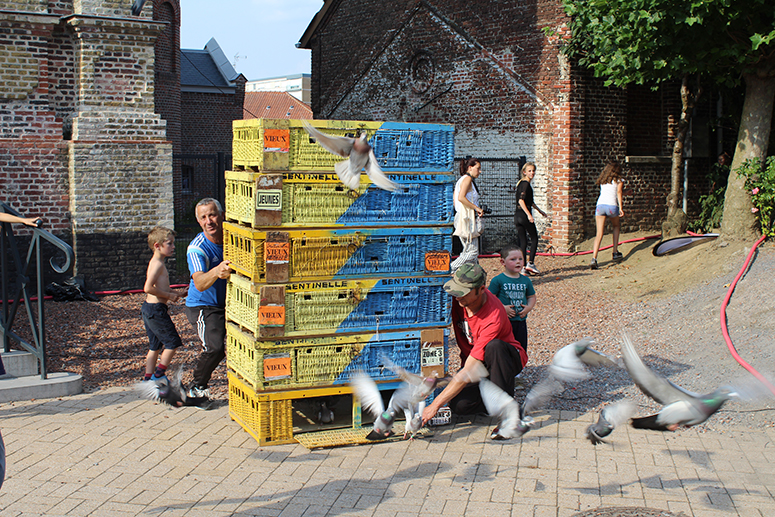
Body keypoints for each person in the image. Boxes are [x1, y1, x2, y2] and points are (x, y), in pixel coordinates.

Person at [421, 263, 528, 439]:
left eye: (463, 292)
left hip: (505, 358)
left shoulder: (493, 316)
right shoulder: (458, 301)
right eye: (456, 291)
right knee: (459, 406)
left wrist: (434, 406)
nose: (458, 296)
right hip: (477, 363)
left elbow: (467, 371)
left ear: (481, 289)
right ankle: (491, 400)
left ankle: (509, 415)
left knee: (494, 347)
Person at [185, 198, 233, 403]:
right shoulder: (197, 248)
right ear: (198, 221)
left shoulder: (232, 239)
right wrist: (216, 271)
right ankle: (196, 387)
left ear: (221, 215)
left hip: (229, 303)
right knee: (214, 348)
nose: (209, 221)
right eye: (203, 217)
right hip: (204, 306)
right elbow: (200, 283)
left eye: (212, 215)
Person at [141, 226, 184, 382]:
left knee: (155, 346)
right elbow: (147, 288)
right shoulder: (157, 264)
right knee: (172, 343)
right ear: (157, 246)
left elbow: (160, 287)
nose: (173, 247)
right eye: (169, 243)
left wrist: (178, 294)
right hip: (155, 310)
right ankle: (159, 375)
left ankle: (148, 379)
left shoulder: (158, 262)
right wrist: (169, 296)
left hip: (150, 309)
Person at [488, 245, 536, 352]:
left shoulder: (526, 280)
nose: (518, 262)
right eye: (513, 259)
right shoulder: (498, 280)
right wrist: (502, 308)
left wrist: (528, 308)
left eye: (520, 259)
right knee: (504, 348)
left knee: (521, 347)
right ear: (503, 262)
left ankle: (519, 361)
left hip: (521, 321)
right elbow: (490, 298)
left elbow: (531, 296)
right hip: (503, 322)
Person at [590, 162, 625, 270]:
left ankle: (594, 258)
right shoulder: (619, 180)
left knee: (599, 233)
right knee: (616, 226)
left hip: (600, 206)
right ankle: (615, 252)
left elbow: (608, 192)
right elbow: (618, 192)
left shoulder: (603, 180)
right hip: (612, 206)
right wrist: (621, 208)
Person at [451, 158, 483, 272]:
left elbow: (455, 200)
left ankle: (475, 276)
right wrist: (476, 208)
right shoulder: (467, 179)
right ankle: (449, 268)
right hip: (466, 219)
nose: (480, 171)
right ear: (470, 168)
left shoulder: (460, 180)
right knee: (472, 252)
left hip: (461, 217)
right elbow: (461, 197)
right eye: (478, 168)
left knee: (468, 251)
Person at [514, 162, 547, 276]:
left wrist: (540, 211)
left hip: (517, 216)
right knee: (534, 238)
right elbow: (521, 200)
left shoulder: (521, 184)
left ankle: (523, 267)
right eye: (529, 171)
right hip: (523, 216)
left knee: (523, 241)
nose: (532, 173)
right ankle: (531, 263)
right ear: (524, 172)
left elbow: (530, 202)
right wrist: (529, 215)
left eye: (533, 171)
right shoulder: (525, 184)